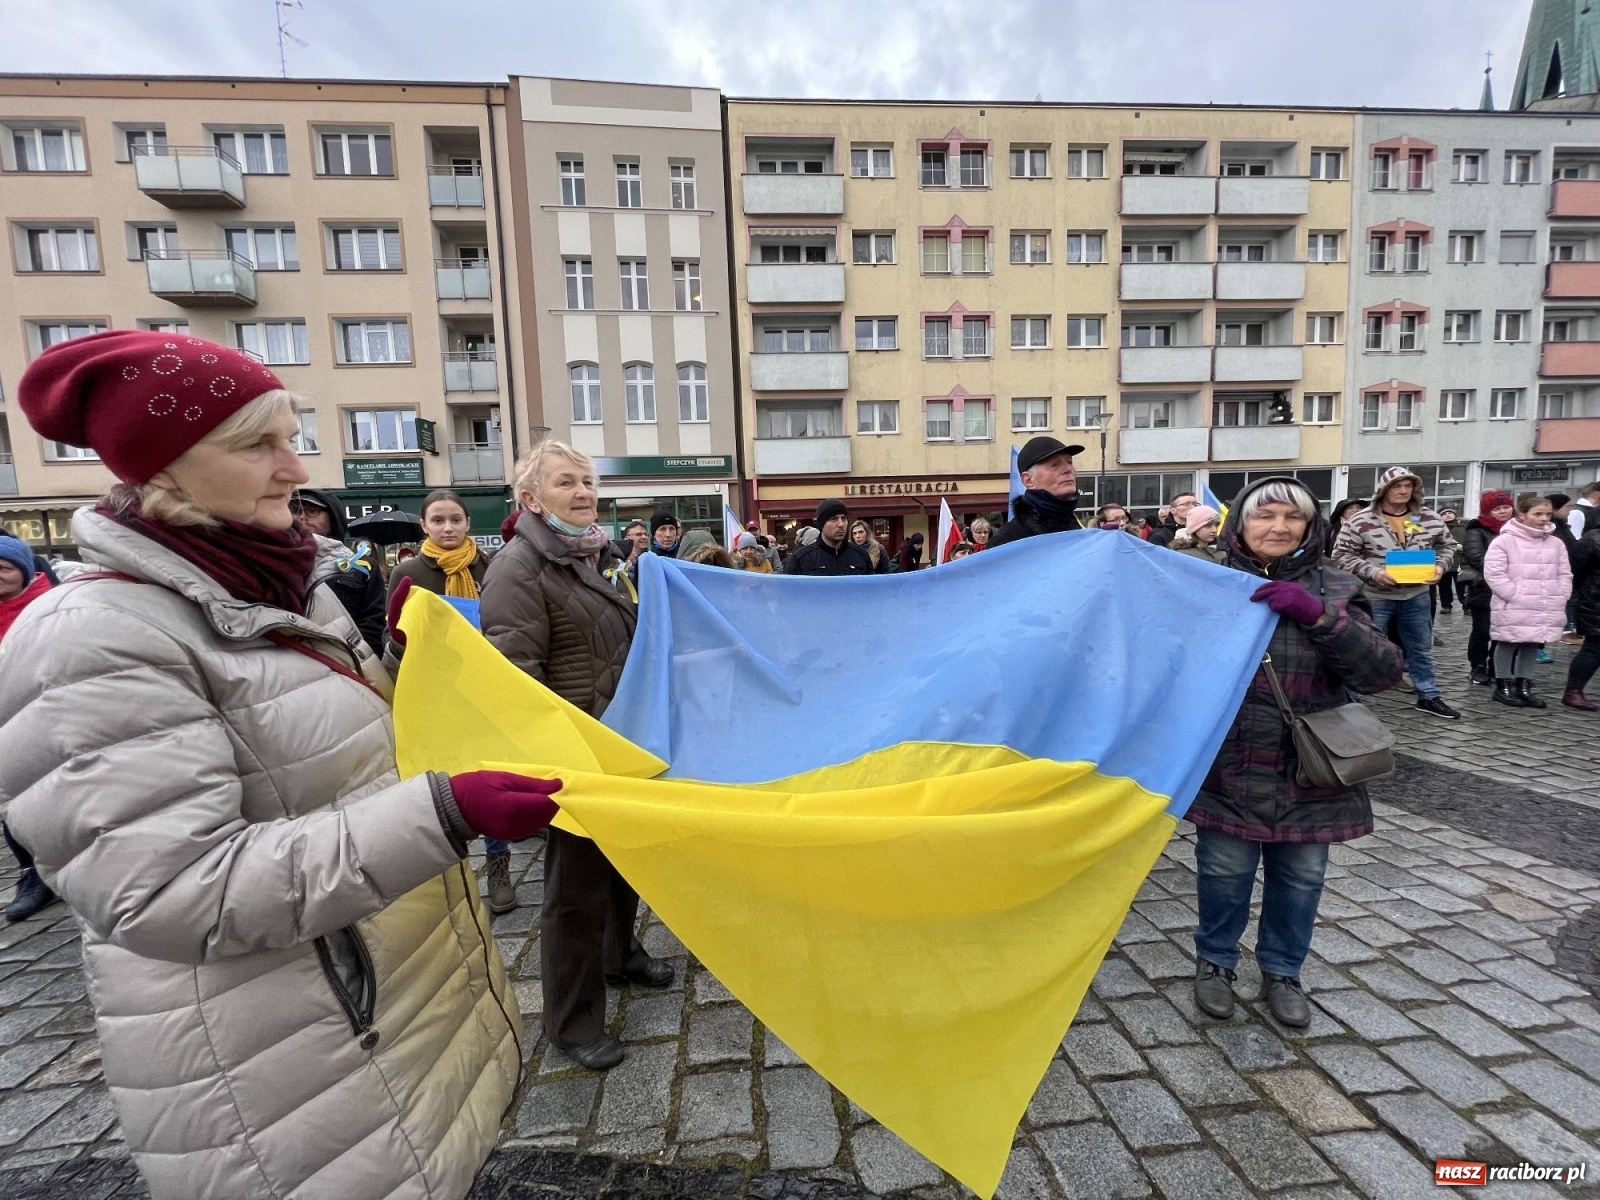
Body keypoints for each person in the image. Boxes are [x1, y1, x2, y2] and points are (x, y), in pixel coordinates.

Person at [0, 330, 561, 1200]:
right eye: (257, 444)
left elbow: (332, 762)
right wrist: (445, 814)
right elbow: (169, 890)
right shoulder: (93, 638)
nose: (295, 470)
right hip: (277, 1071)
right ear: (168, 466)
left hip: (370, 1026)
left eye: (289, 438)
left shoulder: (283, 586)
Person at [480, 440, 672, 1072]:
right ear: (532, 499)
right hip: (573, 752)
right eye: (567, 482)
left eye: (589, 481)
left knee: (622, 866)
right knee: (573, 892)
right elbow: (513, 676)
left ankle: (621, 958)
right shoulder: (520, 568)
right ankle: (571, 1021)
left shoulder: (597, 556)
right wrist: (551, 759)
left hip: (616, 741)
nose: (585, 492)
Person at [1189, 477, 1402, 1028]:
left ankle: (1283, 971)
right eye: (1264, 516)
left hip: (1313, 768)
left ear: (1312, 527)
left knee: (1301, 878)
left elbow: (1382, 672)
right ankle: (1214, 964)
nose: (1278, 528)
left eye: (1293, 518)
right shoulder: (1207, 582)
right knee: (1222, 872)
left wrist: (1317, 616)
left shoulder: (1335, 586)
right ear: (1240, 524)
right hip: (1229, 763)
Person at [387, 490, 517, 911]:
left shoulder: (491, 567)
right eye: (438, 520)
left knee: (489, 771)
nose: (448, 528)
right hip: (433, 690)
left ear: (467, 523)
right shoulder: (408, 570)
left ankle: (498, 865)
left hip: (484, 686)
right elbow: (392, 634)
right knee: (440, 780)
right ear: (424, 525)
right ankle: (446, 869)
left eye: (456, 520)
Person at [1332, 466, 1461, 720]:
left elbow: (1448, 546)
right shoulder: (1362, 520)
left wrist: (1440, 566)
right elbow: (1341, 556)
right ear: (1383, 490)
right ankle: (1351, 700)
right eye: (1396, 486)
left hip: (1417, 595)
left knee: (1421, 648)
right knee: (1364, 648)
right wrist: (1373, 572)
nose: (1403, 491)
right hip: (1374, 596)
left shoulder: (1429, 518)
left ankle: (1428, 695)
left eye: (1407, 486)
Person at [0, 534, 59, 922]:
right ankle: (32, 873)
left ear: (24, 571)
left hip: (50, 713)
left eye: (3, 569)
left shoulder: (51, 605)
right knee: (11, 799)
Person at [1483, 493, 1573, 709]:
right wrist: (1514, 594)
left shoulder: (1555, 543)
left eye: (1548, 514)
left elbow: (1564, 573)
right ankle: (1503, 685)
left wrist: (1561, 594)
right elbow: (1494, 573)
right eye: (1538, 514)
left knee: (1532, 643)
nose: (1544, 518)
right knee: (1507, 642)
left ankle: (1525, 685)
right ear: (1522, 515)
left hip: (1544, 602)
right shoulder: (1505, 540)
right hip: (1514, 602)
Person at [288, 488, 387, 656]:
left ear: (333, 518)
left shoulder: (361, 565)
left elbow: (373, 624)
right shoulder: (277, 561)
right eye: (295, 511)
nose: (302, 517)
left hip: (346, 661)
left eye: (313, 511)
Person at [990, 436, 1086, 547]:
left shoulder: (1079, 529)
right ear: (1028, 480)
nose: (1068, 469)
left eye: (1070, 462)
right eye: (1055, 465)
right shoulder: (1009, 540)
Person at [1459, 491, 1513, 686]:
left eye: (1506, 507)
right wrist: (1509, 569)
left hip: (1512, 589)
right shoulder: (1477, 530)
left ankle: (1497, 665)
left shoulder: (1518, 529)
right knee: (1482, 631)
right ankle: (1478, 666)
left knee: (1504, 631)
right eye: (1497, 509)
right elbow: (1476, 557)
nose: (1503, 512)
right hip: (1484, 588)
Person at [1564, 504, 1600, 710]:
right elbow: (1575, 570)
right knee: (1594, 648)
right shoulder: (1592, 538)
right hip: (1595, 600)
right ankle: (1573, 691)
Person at [784, 499, 876, 576]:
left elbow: (871, 591)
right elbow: (789, 593)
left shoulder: (861, 556)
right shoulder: (800, 558)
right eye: (833, 519)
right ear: (821, 524)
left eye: (843, 518)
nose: (841, 524)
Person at [1433, 507, 1462, 615]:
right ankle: (1446, 605)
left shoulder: (1462, 527)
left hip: (1460, 561)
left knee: (1461, 585)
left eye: (1450, 513)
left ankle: (1466, 605)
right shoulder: (1437, 528)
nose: (1448, 515)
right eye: (1444, 514)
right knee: (1444, 587)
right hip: (1443, 562)